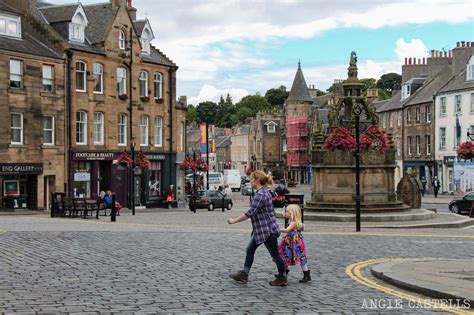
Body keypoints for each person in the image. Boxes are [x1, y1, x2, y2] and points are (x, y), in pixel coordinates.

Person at [227, 170, 288, 287]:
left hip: (267, 230)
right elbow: (271, 192)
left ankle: (283, 277)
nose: (250, 181)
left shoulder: (260, 195)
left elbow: (250, 212)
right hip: (261, 229)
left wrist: (234, 220)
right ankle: (244, 274)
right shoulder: (264, 192)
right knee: (250, 250)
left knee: (275, 254)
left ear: (257, 180)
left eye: (251, 179)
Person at [279, 205, 311, 283]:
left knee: (298, 257)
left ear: (292, 213)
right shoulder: (291, 221)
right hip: (290, 242)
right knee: (287, 256)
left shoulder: (293, 222)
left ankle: (306, 275)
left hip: (295, 243)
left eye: (287, 211)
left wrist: (277, 229)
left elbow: (287, 230)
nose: (285, 213)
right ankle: (283, 273)